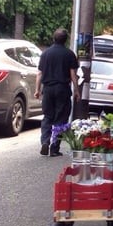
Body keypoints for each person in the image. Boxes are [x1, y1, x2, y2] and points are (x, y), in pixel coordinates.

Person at [35, 28, 80, 156]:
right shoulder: (69, 54)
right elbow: (73, 75)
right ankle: (54, 148)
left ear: (53, 38)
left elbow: (39, 73)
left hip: (48, 89)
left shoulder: (45, 54)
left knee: (47, 116)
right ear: (65, 40)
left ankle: (45, 141)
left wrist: (37, 90)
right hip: (62, 89)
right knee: (61, 118)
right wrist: (77, 91)